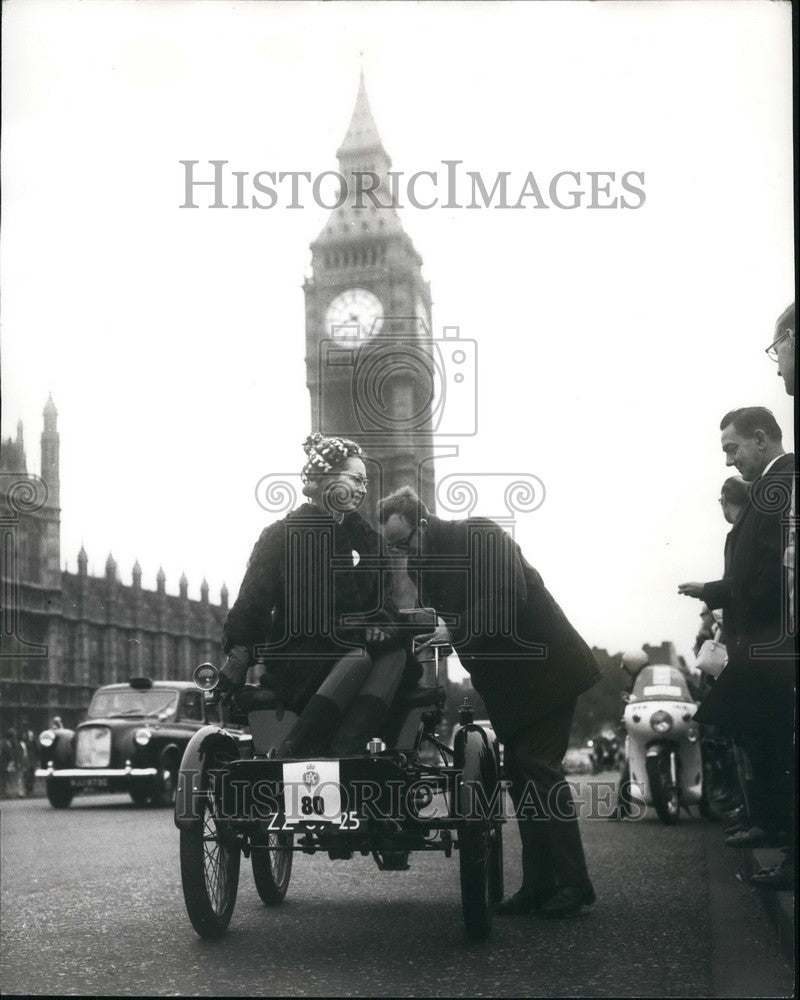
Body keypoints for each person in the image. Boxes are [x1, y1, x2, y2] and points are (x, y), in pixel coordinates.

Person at [378, 486, 600, 918]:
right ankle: (539, 886)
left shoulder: (478, 534)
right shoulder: (424, 564)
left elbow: (508, 597)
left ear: (422, 524)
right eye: (395, 549)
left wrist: (454, 631)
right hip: (511, 684)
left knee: (538, 767)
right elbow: (439, 617)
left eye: (404, 543)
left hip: (548, 670)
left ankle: (575, 886)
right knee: (519, 774)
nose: (402, 555)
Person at [220, 434, 412, 757]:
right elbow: (252, 603)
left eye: (365, 482)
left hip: (358, 651)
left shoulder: (370, 542)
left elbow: (386, 606)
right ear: (325, 478)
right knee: (361, 657)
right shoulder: (281, 535)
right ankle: (301, 748)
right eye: (355, 479)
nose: (362, 489)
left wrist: (379, 627)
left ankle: (345, 747)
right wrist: (239, 656)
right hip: (303, 659)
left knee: (395, 655)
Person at [678, 407, 795, 872]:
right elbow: (754, 573)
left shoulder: (780, 484)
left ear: (761, 438)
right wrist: (713, 591)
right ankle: (773, 828)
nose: (729, 461)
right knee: (760, 741)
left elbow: (772, 578)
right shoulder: (769, 487)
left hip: (770, 648)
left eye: (733, 448)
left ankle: (781, 838)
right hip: (763, 647)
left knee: (774, 746)